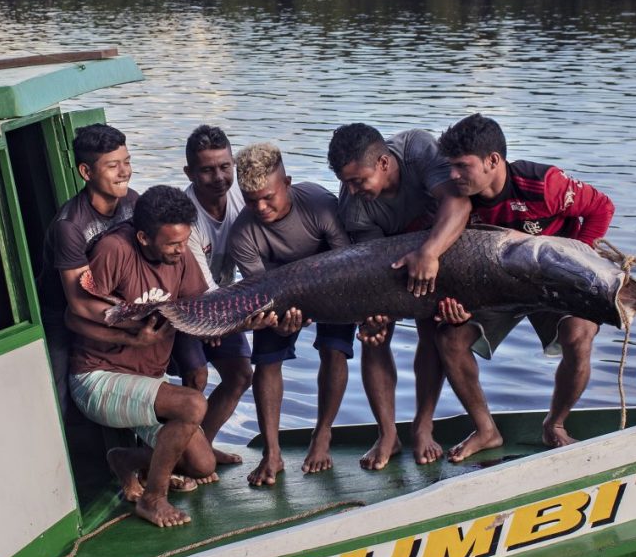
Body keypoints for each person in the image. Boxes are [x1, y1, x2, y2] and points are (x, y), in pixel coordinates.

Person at [434, 113, 616, 454]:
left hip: (553, 283)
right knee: (449, 339)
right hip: (496, 286)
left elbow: (601, 207)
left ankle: (555, 423)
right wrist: (455, 302)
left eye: (462, 166)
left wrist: (576, 258)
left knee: (579, 335)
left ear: (493, 160)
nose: (453, 175)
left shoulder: (544, 185)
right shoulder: (456, 202)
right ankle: (486, 430)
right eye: (450, 166)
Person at [67, 185, 216, 528]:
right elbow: (73, 317)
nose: (181, 250)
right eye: (173, 244)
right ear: (144, 238)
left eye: (185, 241)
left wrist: (252, 320)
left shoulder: (181, 255)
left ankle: (126, 459)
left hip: (148, 382)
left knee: (202, 465)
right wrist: (130, 338)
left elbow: (198, 309)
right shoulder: (114, 250)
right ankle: (153, 499)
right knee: (192, 405)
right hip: (97, 378)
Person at [328, 123, 471, 470]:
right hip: (390, 262)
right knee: (374, 336)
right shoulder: (354, 205)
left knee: (432, 330)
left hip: (441, 247)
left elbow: (458, 203)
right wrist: (376, 310)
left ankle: (423, 426)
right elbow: (372, 261)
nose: (351, 190)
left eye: (358, 181)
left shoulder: (417, 150)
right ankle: (388, 434)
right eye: (345, 182)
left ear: (383, 163)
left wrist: (429, 252)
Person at [228, 142, 356, 487]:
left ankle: (323, 433)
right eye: (250, 200)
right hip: (278, 299)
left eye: (268, 197)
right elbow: (260, 292)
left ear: (287, 182)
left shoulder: (319, 204)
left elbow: (348, 265)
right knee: (267, 360)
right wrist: (278, 323)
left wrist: (324, 302)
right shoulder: (242, 234)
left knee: (334, 348)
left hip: (333, 284)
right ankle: (272, 452)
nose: (260, 207)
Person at [42, 123, 140, 400]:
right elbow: (80, 304)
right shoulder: (70, 226)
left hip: (115, 306)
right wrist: (137, 322)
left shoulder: (133, 202)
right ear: (86, 172)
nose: (124, 172)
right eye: (113, 166)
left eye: (127, 162)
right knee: (58, 392)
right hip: (62, 313)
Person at [178, 125, 252, 462]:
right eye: (207, 170)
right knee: (196, 379)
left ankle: (200, 448)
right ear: (189, 173)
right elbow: (201, 285)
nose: (219, 177)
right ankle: (180, 456)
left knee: (241, 375)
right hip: (186, 304)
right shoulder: (186, 216)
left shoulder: (242, 197)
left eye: (225, 166)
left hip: (223, 302)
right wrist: (219, 322)